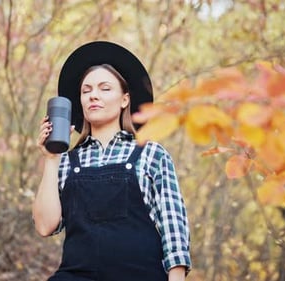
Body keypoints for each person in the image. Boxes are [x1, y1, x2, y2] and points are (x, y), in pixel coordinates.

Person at [33, 41, 191, 281]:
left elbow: (174, 230)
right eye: (86, 91)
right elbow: (45, 226)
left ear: (125, 99)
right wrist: (51, 159)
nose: (93, 95)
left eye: (104, 88)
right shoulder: (66, 162)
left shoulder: (151, 154)